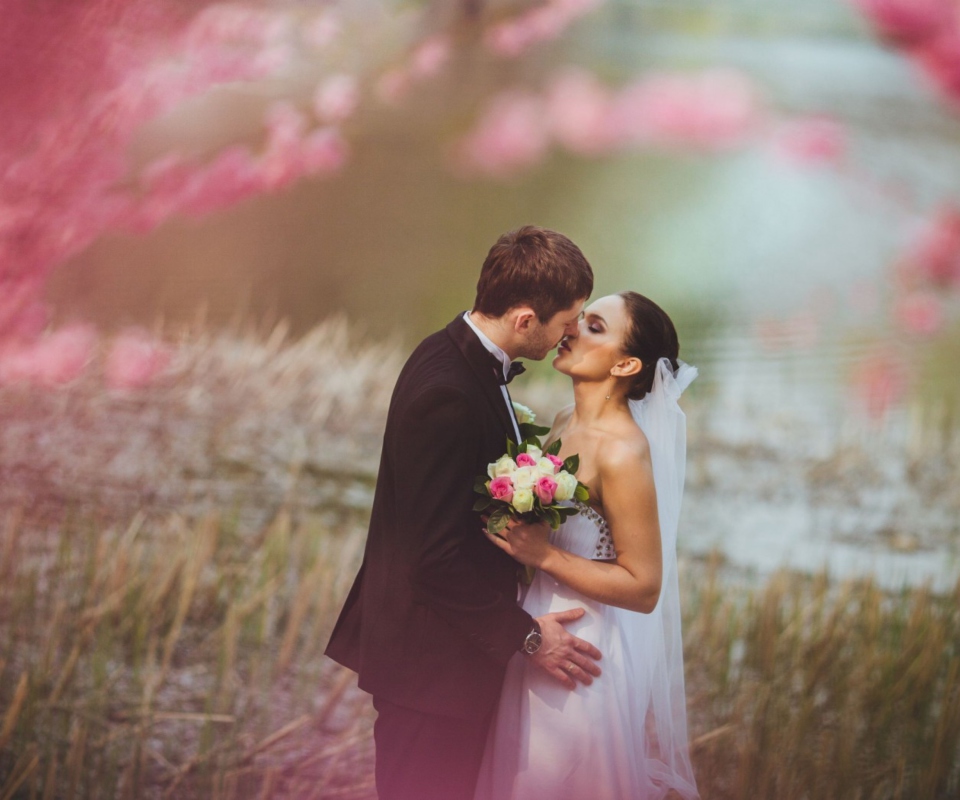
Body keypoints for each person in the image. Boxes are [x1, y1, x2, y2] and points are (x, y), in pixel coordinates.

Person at [324, 226, 604, 800]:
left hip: (445, 660)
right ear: (525, 319)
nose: (570, 331)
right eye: (567, 319)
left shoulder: (450, 350)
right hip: (431, 668)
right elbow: (433, 559)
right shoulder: (447, 393)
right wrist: (529, 638)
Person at [474, 291, 700, 800]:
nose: (572, 328)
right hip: (534, 629)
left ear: (626, 363)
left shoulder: (623, 451)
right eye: (580, 319)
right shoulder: (562, 422)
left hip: (580, 652)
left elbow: (644, 587)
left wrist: (545, 555)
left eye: (594, 326)